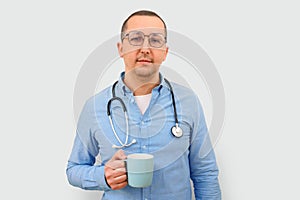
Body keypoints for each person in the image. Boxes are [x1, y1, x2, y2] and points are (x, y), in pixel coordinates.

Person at [66, 10, 221, 199]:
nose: (145, 48)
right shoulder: (95, 106)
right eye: (136, 39)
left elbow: (205, 173)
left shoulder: (189, 102)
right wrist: (102, 176)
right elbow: (74, 169)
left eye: (155, 40)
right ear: (121, 48)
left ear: (165, 52)